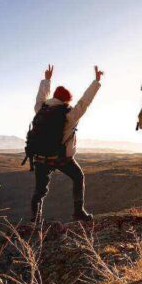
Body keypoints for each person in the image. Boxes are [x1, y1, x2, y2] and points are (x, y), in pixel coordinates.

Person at [30, 64, 102, 224]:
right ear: (67, 99)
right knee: (78, 177)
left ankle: (35, 220)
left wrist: (47, 80)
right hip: (61, 158)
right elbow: (85, 101)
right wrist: (96, 82)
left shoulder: (40, 108)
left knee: (40, 190)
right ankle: (78, 212)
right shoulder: (70, 114)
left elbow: (40, 96)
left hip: (40, 157)